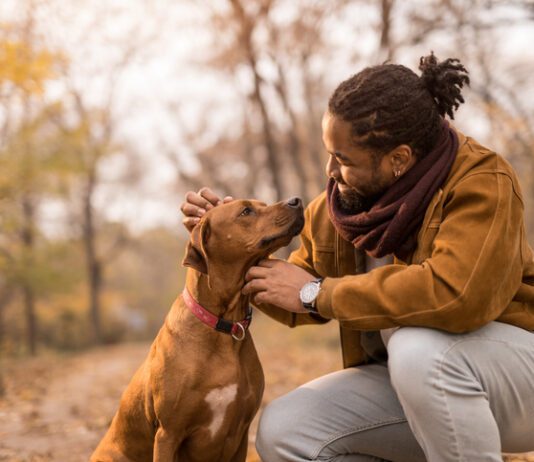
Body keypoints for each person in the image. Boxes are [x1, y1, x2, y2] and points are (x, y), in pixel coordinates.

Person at [180, 53, 534, 462]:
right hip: (416, 384)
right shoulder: (344, 208)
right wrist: (231, 239)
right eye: (330, 153)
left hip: (515, 379)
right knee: (286, 431)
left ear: (398, 159)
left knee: (416, 349)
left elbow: (455, 294)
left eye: (344, 160)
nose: (330, 170)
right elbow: (293, 286)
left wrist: (317, 294)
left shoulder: (481, 182)